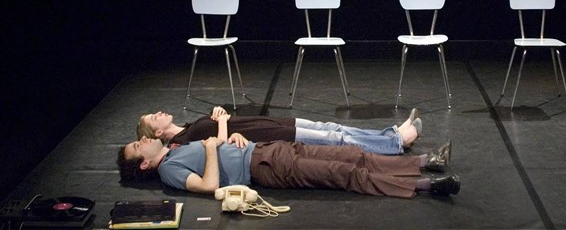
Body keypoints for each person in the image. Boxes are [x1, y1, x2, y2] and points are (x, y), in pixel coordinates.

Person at [117, 135, 458, 198]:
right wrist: (209, 148)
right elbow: (209, 185)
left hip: (266, 149)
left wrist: (227, 137)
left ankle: (425, 162)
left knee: (353, 155)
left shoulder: (175, 150)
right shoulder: (168, 170)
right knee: (344, 174)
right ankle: (425, 187)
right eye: (137, 145)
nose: (142, 139)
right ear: (144, 164)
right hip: (263, 167)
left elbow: (218, 147)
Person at [136, 106, 422, 155]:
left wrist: (218, 113)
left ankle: (390, 135)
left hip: (269, 123)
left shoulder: (187, 127)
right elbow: (217, 146)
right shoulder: (182, 141)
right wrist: (221, 122)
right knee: (334, 139)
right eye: (153, 118)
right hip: (268, 136)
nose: (159, 113)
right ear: (156, 133)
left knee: (332, 127)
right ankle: (396, 143)